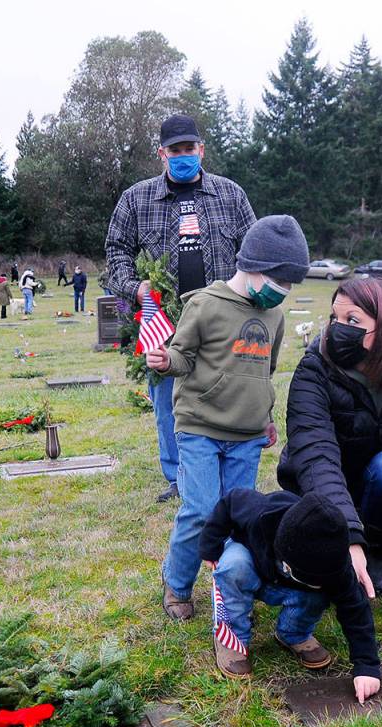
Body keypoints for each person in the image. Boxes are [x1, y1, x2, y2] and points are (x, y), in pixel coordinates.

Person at [145, 215, 309, 621]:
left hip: (248, 434)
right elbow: (182, 356)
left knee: (239, 518)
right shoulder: (205, 305)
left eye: (291, 284)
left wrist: (266, 417)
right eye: (280, 280)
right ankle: (177, 582)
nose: (284, 291)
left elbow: (263, 372)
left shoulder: (274, 316)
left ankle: (232, 592)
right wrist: (166, 360)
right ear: (254, 266)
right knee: (201, 509)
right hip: (200, 425)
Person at [105, 113, 258, 504]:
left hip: (226, 318)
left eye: (190, 148)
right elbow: (116, 250)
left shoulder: (231, 195)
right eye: (175, 150)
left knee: (227, 391)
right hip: (165, 321)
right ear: (162, 154)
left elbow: (253, 250)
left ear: (201, 149)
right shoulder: (136, 198)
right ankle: (178, 478)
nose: (183, 155)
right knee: (168, 402)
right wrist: (134, 287)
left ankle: (225, 469)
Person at [277, 277, 382, 598]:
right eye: (335, 318)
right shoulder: (315, 368)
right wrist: (347, 537)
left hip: (377, 486)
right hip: (319, 483)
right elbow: (316, 456)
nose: (337, 328)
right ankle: (341, 549)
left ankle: (374, 551)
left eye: (352, 320)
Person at [199, 489, 381, 703]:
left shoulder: (337, 567)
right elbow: (230, 501)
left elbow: (356, 610)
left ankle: (294, 633)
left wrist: (367, 667)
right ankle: (234, 637)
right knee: (233, 567)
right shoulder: (259, 513)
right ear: (288, 563)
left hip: (290, 584)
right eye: (313, 580)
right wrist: (209, 546)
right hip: (250, 561)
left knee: (319, 595)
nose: (321, 583)